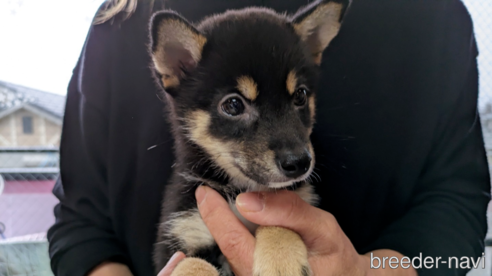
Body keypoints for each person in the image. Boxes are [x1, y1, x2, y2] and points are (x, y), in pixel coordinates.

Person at [47, 0, 490, 275]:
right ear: (176, 67)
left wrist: (377, 273)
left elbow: (457, 200)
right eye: (235, 106)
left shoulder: (433, 15)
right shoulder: (117, 21)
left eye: (298, 97)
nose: (294, 149)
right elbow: (79, 223)